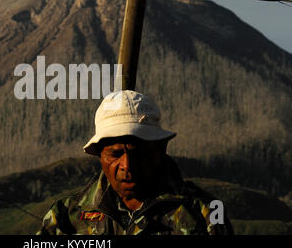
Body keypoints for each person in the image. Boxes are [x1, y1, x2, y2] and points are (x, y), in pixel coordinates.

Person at [37, 90, 233, 235]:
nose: (127, 166)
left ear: (160, 149)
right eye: (115, 154)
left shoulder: (206, 213)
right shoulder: (65, 218)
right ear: (99, 156)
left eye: (139, 154)